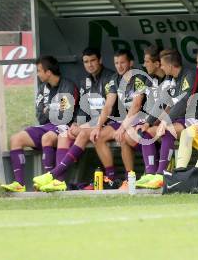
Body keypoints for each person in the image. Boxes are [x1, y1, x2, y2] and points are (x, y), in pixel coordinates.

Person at [32, 48, 114, 192]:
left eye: (93, 60)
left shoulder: (110, 78)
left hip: (109, 122)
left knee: (82, 133)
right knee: (65, 134)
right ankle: (59, 182)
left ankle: (53, 174)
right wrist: (77, 122)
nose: (90, 65)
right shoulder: (85, 81)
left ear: (100, 60)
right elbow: (83, 107)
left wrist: (86, 125)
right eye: (86, 62)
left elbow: (109, 109)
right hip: (91, 124)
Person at [1, 56, 78, 192]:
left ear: (48, 72)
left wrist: (48, 109)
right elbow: (40, 116)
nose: (37, 74)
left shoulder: (68, 86)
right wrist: (53, 109)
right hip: (47, 125)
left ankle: (48, 181)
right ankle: (19, 184)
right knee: (15, 139)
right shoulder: (42, 89)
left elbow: (65, 115)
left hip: (65, 126)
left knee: (46, 137)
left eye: (39, 71)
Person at [135, 49, 198, 189]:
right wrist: (148, 122)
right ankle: (151, 173)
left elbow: (184, 101)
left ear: (170, 66)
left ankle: (161, 174)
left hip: (194, 119)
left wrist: (165, 121)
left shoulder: (190, 74)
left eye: (163, 65)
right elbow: (162, 102)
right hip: (177, 120)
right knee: (146, 132)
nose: (162, 68)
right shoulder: (171, 79)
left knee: (167, 130)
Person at [89, 49, 146, 190]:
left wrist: (122, 127)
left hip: (143, 119)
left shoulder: (139, 77)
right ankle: (111, 178)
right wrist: (98, 126)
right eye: (116, 63)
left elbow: (137, 105)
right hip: (126, 120)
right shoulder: (114, 79)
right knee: (98, 136)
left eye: (122, 62)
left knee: (123, 136)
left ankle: (129, 179)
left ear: (130, 63)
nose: (119, 66)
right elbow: (108, 106)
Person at [118, 45, 166, 188]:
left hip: (165, 122)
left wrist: (150, 122)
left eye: (147, 62)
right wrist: (125, 126)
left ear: (157, 64)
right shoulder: (149, 78)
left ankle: (154, 172)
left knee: (144, 132)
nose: (144, 65)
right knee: (127, 136)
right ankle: (130, 179)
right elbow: (137, 102)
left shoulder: (169, 80)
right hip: (149, 120)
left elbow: (168, 107)